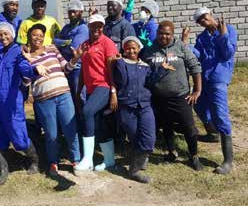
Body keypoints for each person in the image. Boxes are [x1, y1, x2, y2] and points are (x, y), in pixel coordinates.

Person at [0, 23, 47, 184]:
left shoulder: (18, 52)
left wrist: (35, 70)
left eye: (6, 34)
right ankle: (3, 170)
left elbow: (25, 69)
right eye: (0, 35)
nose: (3, 37)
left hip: (12, 101)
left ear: (12, 34)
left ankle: (35, 160)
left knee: (19, 135)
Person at [142, 20, 203, 171]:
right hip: (158, 97)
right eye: (161, 33)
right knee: (166, 126)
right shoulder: (149, 49)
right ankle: (171, 152)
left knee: (189, 127)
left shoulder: (180, 47)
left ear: (172, 34)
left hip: (180, 96)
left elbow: (195, 67)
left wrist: (197, 90)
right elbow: (141, 67)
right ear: (156, 33)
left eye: (167, 34)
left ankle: (194, 156)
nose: (164, 36)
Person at [183, 7, 237, 175]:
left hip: (219, 78)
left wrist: (223, 35)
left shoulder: (228, 30)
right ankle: (212, 134)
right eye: (200, 22)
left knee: (220, 114)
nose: (203, 23)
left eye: (204, 18)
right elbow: (198, 54)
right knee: (197, 104)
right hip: (204, 77)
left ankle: (228, 160)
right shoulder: (203, 37)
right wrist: (185, 44)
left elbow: (228, 54)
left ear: (210, 15)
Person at [22, 24, 81, 177]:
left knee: (70, 129)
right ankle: (53, 163)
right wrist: (29, 62)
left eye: (41, 35)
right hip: (43, 100)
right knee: (51, 134)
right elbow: (26, 81)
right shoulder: (26, 56)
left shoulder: (53, 49)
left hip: (63, 95)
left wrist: (75, 59)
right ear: (28, 37)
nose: (38, 38)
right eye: (34, 35)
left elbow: (66, 69)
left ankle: (76, 160)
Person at [74, 14, 119, 172]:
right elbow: (83, 71)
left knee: (87, 112)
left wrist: (113, 91)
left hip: (104, 86)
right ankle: (109, 160)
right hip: (91, 89)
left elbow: (112, 69)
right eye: (93, 25)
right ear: (89, 27)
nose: (97, 29)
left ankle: (87, 159)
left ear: (103, 27)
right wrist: (79, 90)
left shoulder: (107, 43)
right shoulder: (85, 45)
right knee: (99, 123)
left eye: (100, 26)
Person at [111, 36, 156, 183]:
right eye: (128, 48)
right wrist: (117, 60)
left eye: (134, 47)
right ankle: (137, 163)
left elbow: (151, 82)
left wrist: (162, 70)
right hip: (126, 106)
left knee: (149, 139)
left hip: (144, 105)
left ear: (139, 48)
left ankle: (134, 169)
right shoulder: (120, 63)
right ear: (124, 49)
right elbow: (115, 77)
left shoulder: (145, 66)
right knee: (135, 137)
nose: (131, 50)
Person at [53, 0, 89, 102]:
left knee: (80, 96)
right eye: (70, 12)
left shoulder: (83, 28)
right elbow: (54, 41)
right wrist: (66, 42)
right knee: (70, 98)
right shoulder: (66, 27)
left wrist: (64, 43)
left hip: (78, 68)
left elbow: (74, 48)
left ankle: (83, 118)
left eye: (74, 12)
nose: (72, 14)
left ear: (81, 12)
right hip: (65, 67)